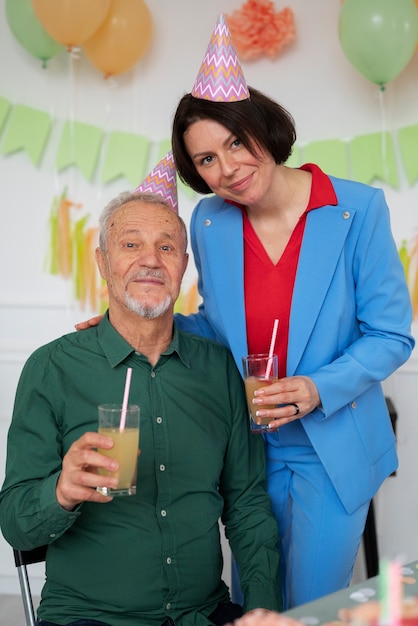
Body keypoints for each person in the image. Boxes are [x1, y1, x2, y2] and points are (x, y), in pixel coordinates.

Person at [75, 13, 415, 612]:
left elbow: (390, 334)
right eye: (205, 160)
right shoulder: (210, 221)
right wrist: (135, 321)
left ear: (262, 126)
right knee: (249, 602)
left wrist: (316, 387)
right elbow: (216, 323)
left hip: (331, 447)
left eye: (234, 141)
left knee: (306, 607)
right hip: (245, 447)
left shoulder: (356, 210)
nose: (226, 168)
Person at [0, 188, 282, 626]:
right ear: (102, 262)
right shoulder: (52, 368)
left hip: (202, 614)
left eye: (166, 246)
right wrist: (61, 491)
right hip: (89, 617)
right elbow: (16, 525)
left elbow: (246, 504)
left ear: (183, 267)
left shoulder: (220, 370)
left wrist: (263, 608)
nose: (150, 260)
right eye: (131, 244)